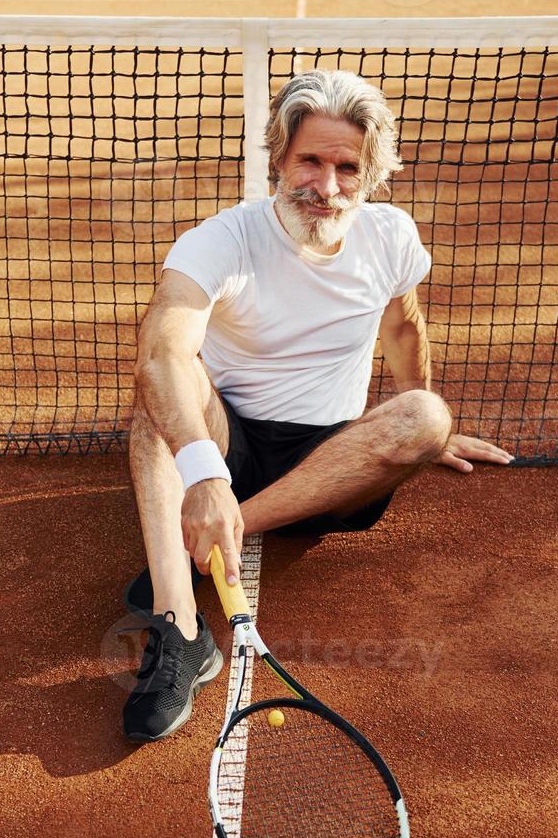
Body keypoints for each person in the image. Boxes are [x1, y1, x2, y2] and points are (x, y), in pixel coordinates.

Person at [121, 69, 512, 742]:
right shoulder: (222, 240)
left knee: (427, 414)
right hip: (229, 447)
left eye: (346, 168)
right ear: (277, 156)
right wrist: (204, 472)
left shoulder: (388, 237)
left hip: (335, 467)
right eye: (309, 160)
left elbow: (403, 325)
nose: (325, 187)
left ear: (372, 174)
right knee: (157, 403)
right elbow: (160, 354)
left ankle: (212, 539)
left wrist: (423, 433)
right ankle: (182, 626)